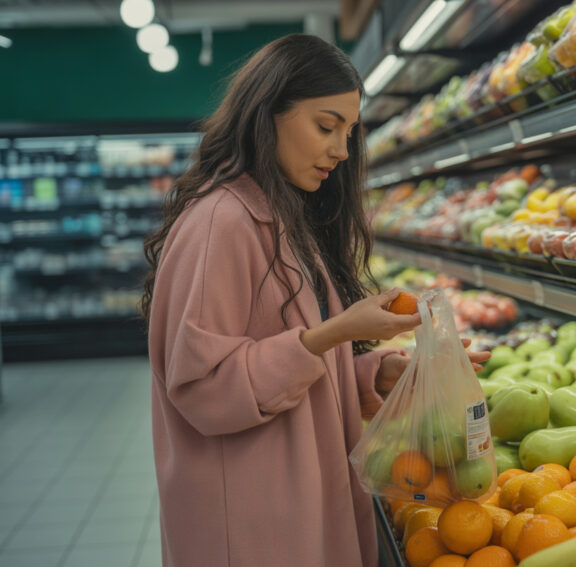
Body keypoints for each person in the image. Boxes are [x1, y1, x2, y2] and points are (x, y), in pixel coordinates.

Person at [139, 34, 488, 567]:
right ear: (267, 113)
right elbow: (203, 386)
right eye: (326, 126)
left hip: (296, 496)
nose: (342, 151)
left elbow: (279, 359)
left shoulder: (281, 216)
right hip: (254, 523)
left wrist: (372, 373)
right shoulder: (221, 222)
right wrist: (338, 331)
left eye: (349, 132)